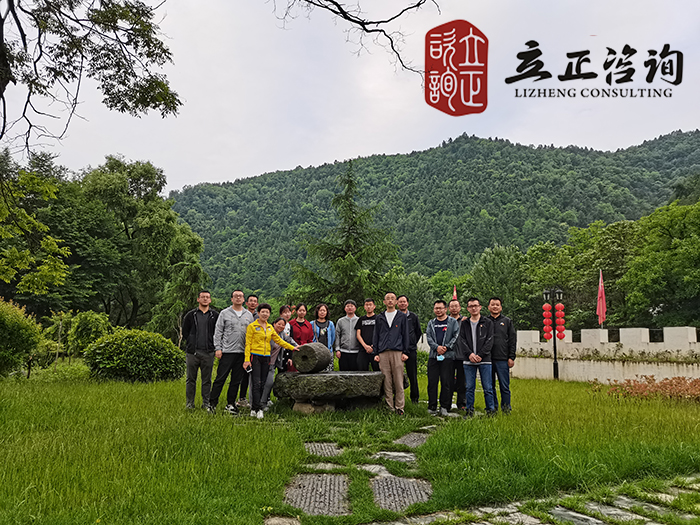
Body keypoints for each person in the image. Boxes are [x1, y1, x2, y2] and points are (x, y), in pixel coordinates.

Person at [243, 304, 297, 419]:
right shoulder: (252, 326)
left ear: (269, 314)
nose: (265, 314)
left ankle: (258, 407)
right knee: (256, 383)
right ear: (258, 313)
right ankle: (256, 408)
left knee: (263, 383)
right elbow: (248, 344)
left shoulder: (269, 328)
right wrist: (247, 360)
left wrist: (293, 348)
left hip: (266, 358)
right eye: (263, 312)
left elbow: (279, 340)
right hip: (255, 357)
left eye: (267, 312)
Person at [209, 290, 254, 416]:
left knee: (236, 380)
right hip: (227, 351)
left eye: (240, 296)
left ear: (243, 299)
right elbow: (218, 331)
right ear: (232, 299)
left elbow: (252, 334)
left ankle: (230, 404)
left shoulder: (248, 315)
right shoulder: (224, 313)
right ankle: (212, 404)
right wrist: (218, 348)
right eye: (236, 296)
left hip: (242, 352)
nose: (238, 298)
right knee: (220, 378)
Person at [455, 297, 495, 417]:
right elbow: (461, 340)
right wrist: (470, 354)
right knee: (469, 387)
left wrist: (481, 355)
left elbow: (490, 340)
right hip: (468, 360)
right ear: (467, 309)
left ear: (480, 307)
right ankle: (469, 410)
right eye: (471, 306)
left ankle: (490, 411)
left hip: (485, 360)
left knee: (487, 387)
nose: (473, 308)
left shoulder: (488, 322)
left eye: (475, 306)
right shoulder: (464, 323)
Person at [373, 292, 410, 415]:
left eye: (392, 298)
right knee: (387, 381)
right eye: (387, 299)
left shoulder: (401, 316)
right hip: (383, 352)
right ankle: (390, 407)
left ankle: (400, 407)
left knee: (398, 380)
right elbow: (376, 335)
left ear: (396, 302)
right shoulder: (380, 317)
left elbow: (405, 335)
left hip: (397, 352)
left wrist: (405, 352)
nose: (390, 301)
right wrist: (376, 353)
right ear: (384, 302)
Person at [181, 290, 219, 412]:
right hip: (193, 352)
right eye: (203, 297)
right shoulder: (190, 315)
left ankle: (206, 403)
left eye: (207, 297)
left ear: (210, 300)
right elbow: (185, 332)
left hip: (208, 352)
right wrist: (191, 342)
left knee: (206, 380)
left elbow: (218, 332)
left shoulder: (215, 315)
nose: (205, 299)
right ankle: (189, 404)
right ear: (198, 299)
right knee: (190, 379)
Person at [425, 300, 461, 416]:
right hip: (433, 356)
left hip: (448, 356)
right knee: (432, 382)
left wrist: (447, 347)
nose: (438, 310)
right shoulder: (431, 323)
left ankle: (445, 406)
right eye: (436, 308)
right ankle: (432, 406)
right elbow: (429, 337)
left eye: (441, 308)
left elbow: (456, 336)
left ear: (445, 309)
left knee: (447, 382)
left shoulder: (452, 322)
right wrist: (437, 347)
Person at [487, 297, 517, 413]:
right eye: (492, 304)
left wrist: (511, 357)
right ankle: (493, 408)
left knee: (504, 386)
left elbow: (512, 340)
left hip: (503, 359)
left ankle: (506, 408)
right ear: (488, 307)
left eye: (497, 305)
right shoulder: (485, 321)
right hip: (488, 359)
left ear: (501, 307)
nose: (495, 307)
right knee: (490, 386)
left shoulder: (507, 321)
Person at [261, 317, 297, 409]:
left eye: (283, 325)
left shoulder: (282, 334)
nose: (281, 326)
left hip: (272, 363)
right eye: (279, 324)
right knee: (261, 383)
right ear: (274, 324)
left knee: (269, 383)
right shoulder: (269, 333)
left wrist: (298, 347)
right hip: (263, 361)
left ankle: (264, 402)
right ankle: (258, 403)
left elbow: (289, 340)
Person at [397, 295, 422, 403]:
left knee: (412, 375)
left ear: (407, 303)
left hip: (411, 350)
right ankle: (397, 398)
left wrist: (411, 343)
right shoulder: (395, 316)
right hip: (397, 350)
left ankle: (415, 398)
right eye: (400, 302)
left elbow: (418, 332)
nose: (402, 303)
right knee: (397, 376)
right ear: (397, 303)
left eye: (404, 302)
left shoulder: (413, 316)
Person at [237, 294, 259, 409]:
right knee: (243, 375)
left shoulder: (259, 316)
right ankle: (241, 398)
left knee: (254, 374)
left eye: (255, 301)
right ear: (246, 303)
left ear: (257, 304)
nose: (252, 303)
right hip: (242, 348)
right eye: (251, 301)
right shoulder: (243, 314)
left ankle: (254, 398)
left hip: (255, 350)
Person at [448, 298, 467, 410]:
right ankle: (447, 403)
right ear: (448, 308)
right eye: (452, 306)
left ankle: (462, 403)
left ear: (460, 308)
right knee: (448, 381)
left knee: (462, 381)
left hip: (462, 355)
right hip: (448, 356)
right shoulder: (445, 320)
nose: (454, 308)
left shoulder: (465, 321)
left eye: (456, 306)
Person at [335, 299, 360, 371]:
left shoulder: (359, 320)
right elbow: (337, 335)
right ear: (345, 308)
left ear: (355, 308)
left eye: (352, 306)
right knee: (343, 373)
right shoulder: (340, 321)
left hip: (356, 352)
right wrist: (337, 349)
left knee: (355, 374)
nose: (350, 308)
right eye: (348, 306)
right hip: (343, 352)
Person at [356, 298, 380, 371]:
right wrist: (365, 346)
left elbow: (381, 333)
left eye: (370, 305)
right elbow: (358, 334)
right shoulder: (361, 319)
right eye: (366, 305)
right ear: (364, 307)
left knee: (377, 370)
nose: (368, 306)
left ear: (374, 306)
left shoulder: (379, 319)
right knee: (361, 369)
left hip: (376, 349)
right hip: (363, 349)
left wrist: (373, 345)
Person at [311, 303, 336, 371]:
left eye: (324, 310)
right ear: (317, 312)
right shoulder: (312, 323)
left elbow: (333, 337)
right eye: (320, 310)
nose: (322, 312)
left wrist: (330, 345)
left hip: (328, 351)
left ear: (327, 312)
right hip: (316, 351)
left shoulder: (330, 324)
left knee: (328, 371)